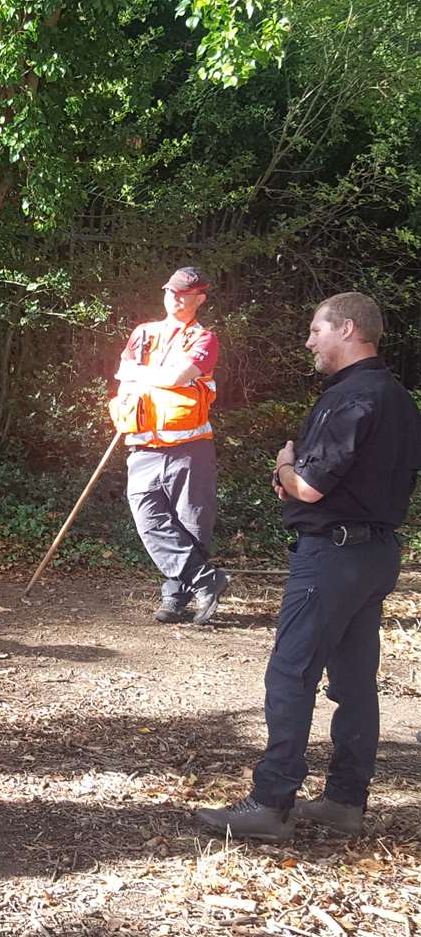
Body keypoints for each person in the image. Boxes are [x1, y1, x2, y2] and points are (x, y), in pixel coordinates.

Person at [198, 292, 421, 842]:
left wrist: (282, 465)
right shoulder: (398, 398)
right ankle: (346, 801)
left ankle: (270, 804)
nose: (309, 340)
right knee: (353, 683)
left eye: (316, 329)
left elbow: (309, 487)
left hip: (332, 556)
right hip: (376, 554)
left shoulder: (350, 399)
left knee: (291, 675)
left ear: (346, 329)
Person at [110, 266, 228, 624]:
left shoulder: (205, 339)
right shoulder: (143, 333)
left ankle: (175, 598)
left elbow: (178, 376)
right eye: (170, 291)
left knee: (191, 525)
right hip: (142, 448)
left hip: (190, 448)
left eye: (183, 294)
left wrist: (145, 375)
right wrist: (158, 378)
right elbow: (121, 374)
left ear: (199, 299)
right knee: (149, 521)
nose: (174, 298)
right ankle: (208, 581)